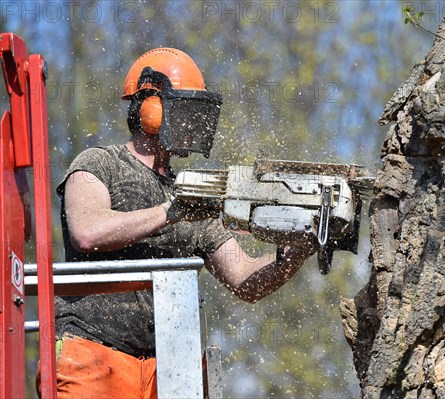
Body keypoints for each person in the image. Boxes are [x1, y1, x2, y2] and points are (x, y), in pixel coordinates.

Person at [38, 48, 314, 398]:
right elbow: (88, 231)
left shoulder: (191, 197)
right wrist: (171, 212)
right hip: (92, 354)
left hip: (168, 365)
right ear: (150, 107)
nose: (193, 123)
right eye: (184, 109)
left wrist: (298, 249)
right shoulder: (100, 163)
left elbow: (245, 280)